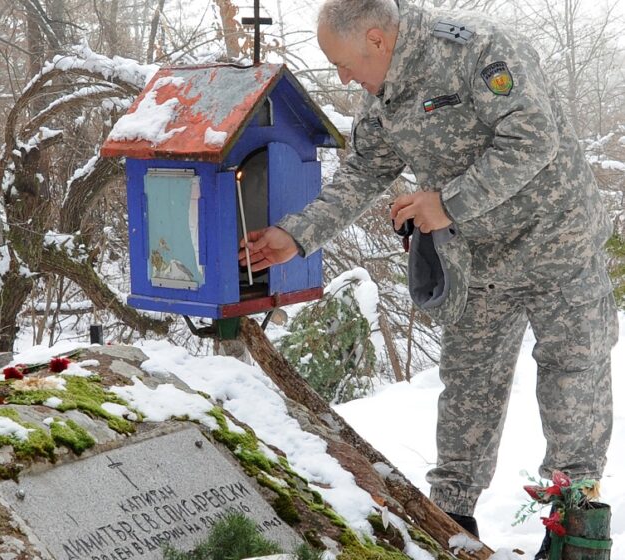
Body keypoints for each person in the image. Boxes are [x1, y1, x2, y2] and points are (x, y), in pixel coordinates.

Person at [239, 0, 619, 554]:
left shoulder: (479, 50)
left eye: (343, 63)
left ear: (375, 38)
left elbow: (534, 140)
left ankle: (577, 537)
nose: (343, 77)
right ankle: (454, 529)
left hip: (556, 247)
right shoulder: (383, 93)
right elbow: (365, 171)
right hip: (479, 261)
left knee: (572, 380)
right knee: (468, 388)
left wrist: (449, 202)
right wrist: (297, 235)